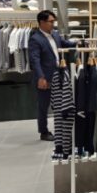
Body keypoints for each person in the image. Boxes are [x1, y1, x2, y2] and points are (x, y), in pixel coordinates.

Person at [28, 10, 77, 141]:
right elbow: (35, 60)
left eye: (53, 21)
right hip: (45, 78)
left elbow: (64, 43)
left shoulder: (55, 34)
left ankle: (62, 129)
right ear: (42, 22)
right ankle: (43, 132)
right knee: (43, 106)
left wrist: (77, 43)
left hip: (58, 75)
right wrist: (41, 77)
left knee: (59, 103)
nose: (53, 24)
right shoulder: (35, 39)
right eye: (51, 21)